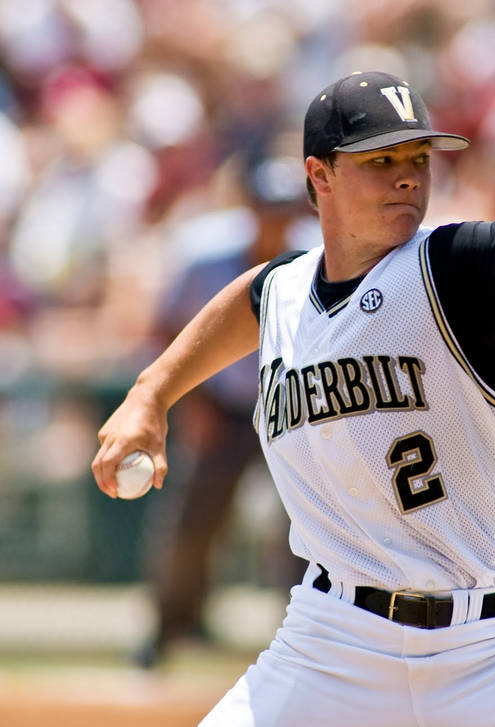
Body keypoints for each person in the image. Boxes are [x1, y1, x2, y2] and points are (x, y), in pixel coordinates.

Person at [93, 71, 495, 726]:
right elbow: (248, 301)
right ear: (319, 176)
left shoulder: (452, 265)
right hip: (332, 646)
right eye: (380, 160)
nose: (408, 175)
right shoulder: (285, 292)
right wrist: (150, 392)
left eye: (417, 157)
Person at [134, 139, 311, 667]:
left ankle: (302, 639)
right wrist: (188, 402)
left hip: (297, 408)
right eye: (265, 209)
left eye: (283, 211)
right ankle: (170, 628)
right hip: (225, 406)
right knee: (194, 521)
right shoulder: (205, 253)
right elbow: (167, 328)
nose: (273, 222)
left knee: (302, 529)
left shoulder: (319, 253)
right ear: (248, 207)